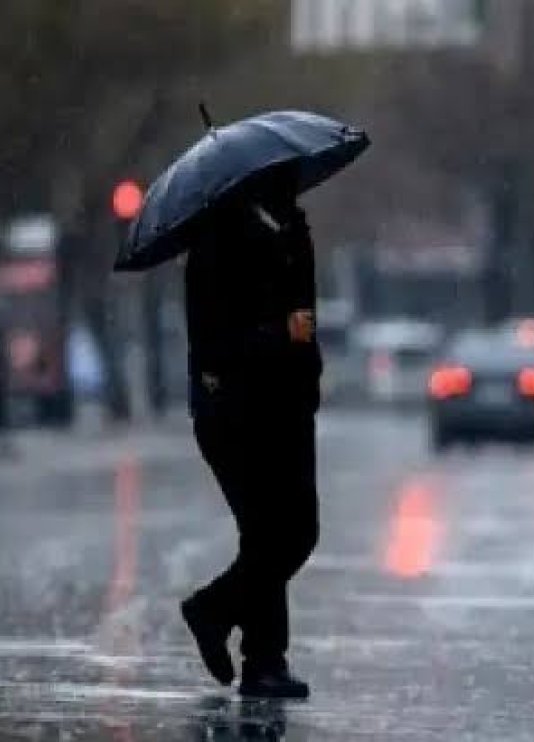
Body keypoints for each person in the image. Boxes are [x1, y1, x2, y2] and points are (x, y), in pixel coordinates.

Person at [180, 172, 321, 700]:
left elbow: (306, 318)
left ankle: (261, 657)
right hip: (237, 411)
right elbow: (214, 342)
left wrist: (306, 371)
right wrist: (277, 334)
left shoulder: (292, 230)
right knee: (277, 535)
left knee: (289, 532)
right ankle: (221, 620)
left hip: (290, 404)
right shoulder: (217, 241)